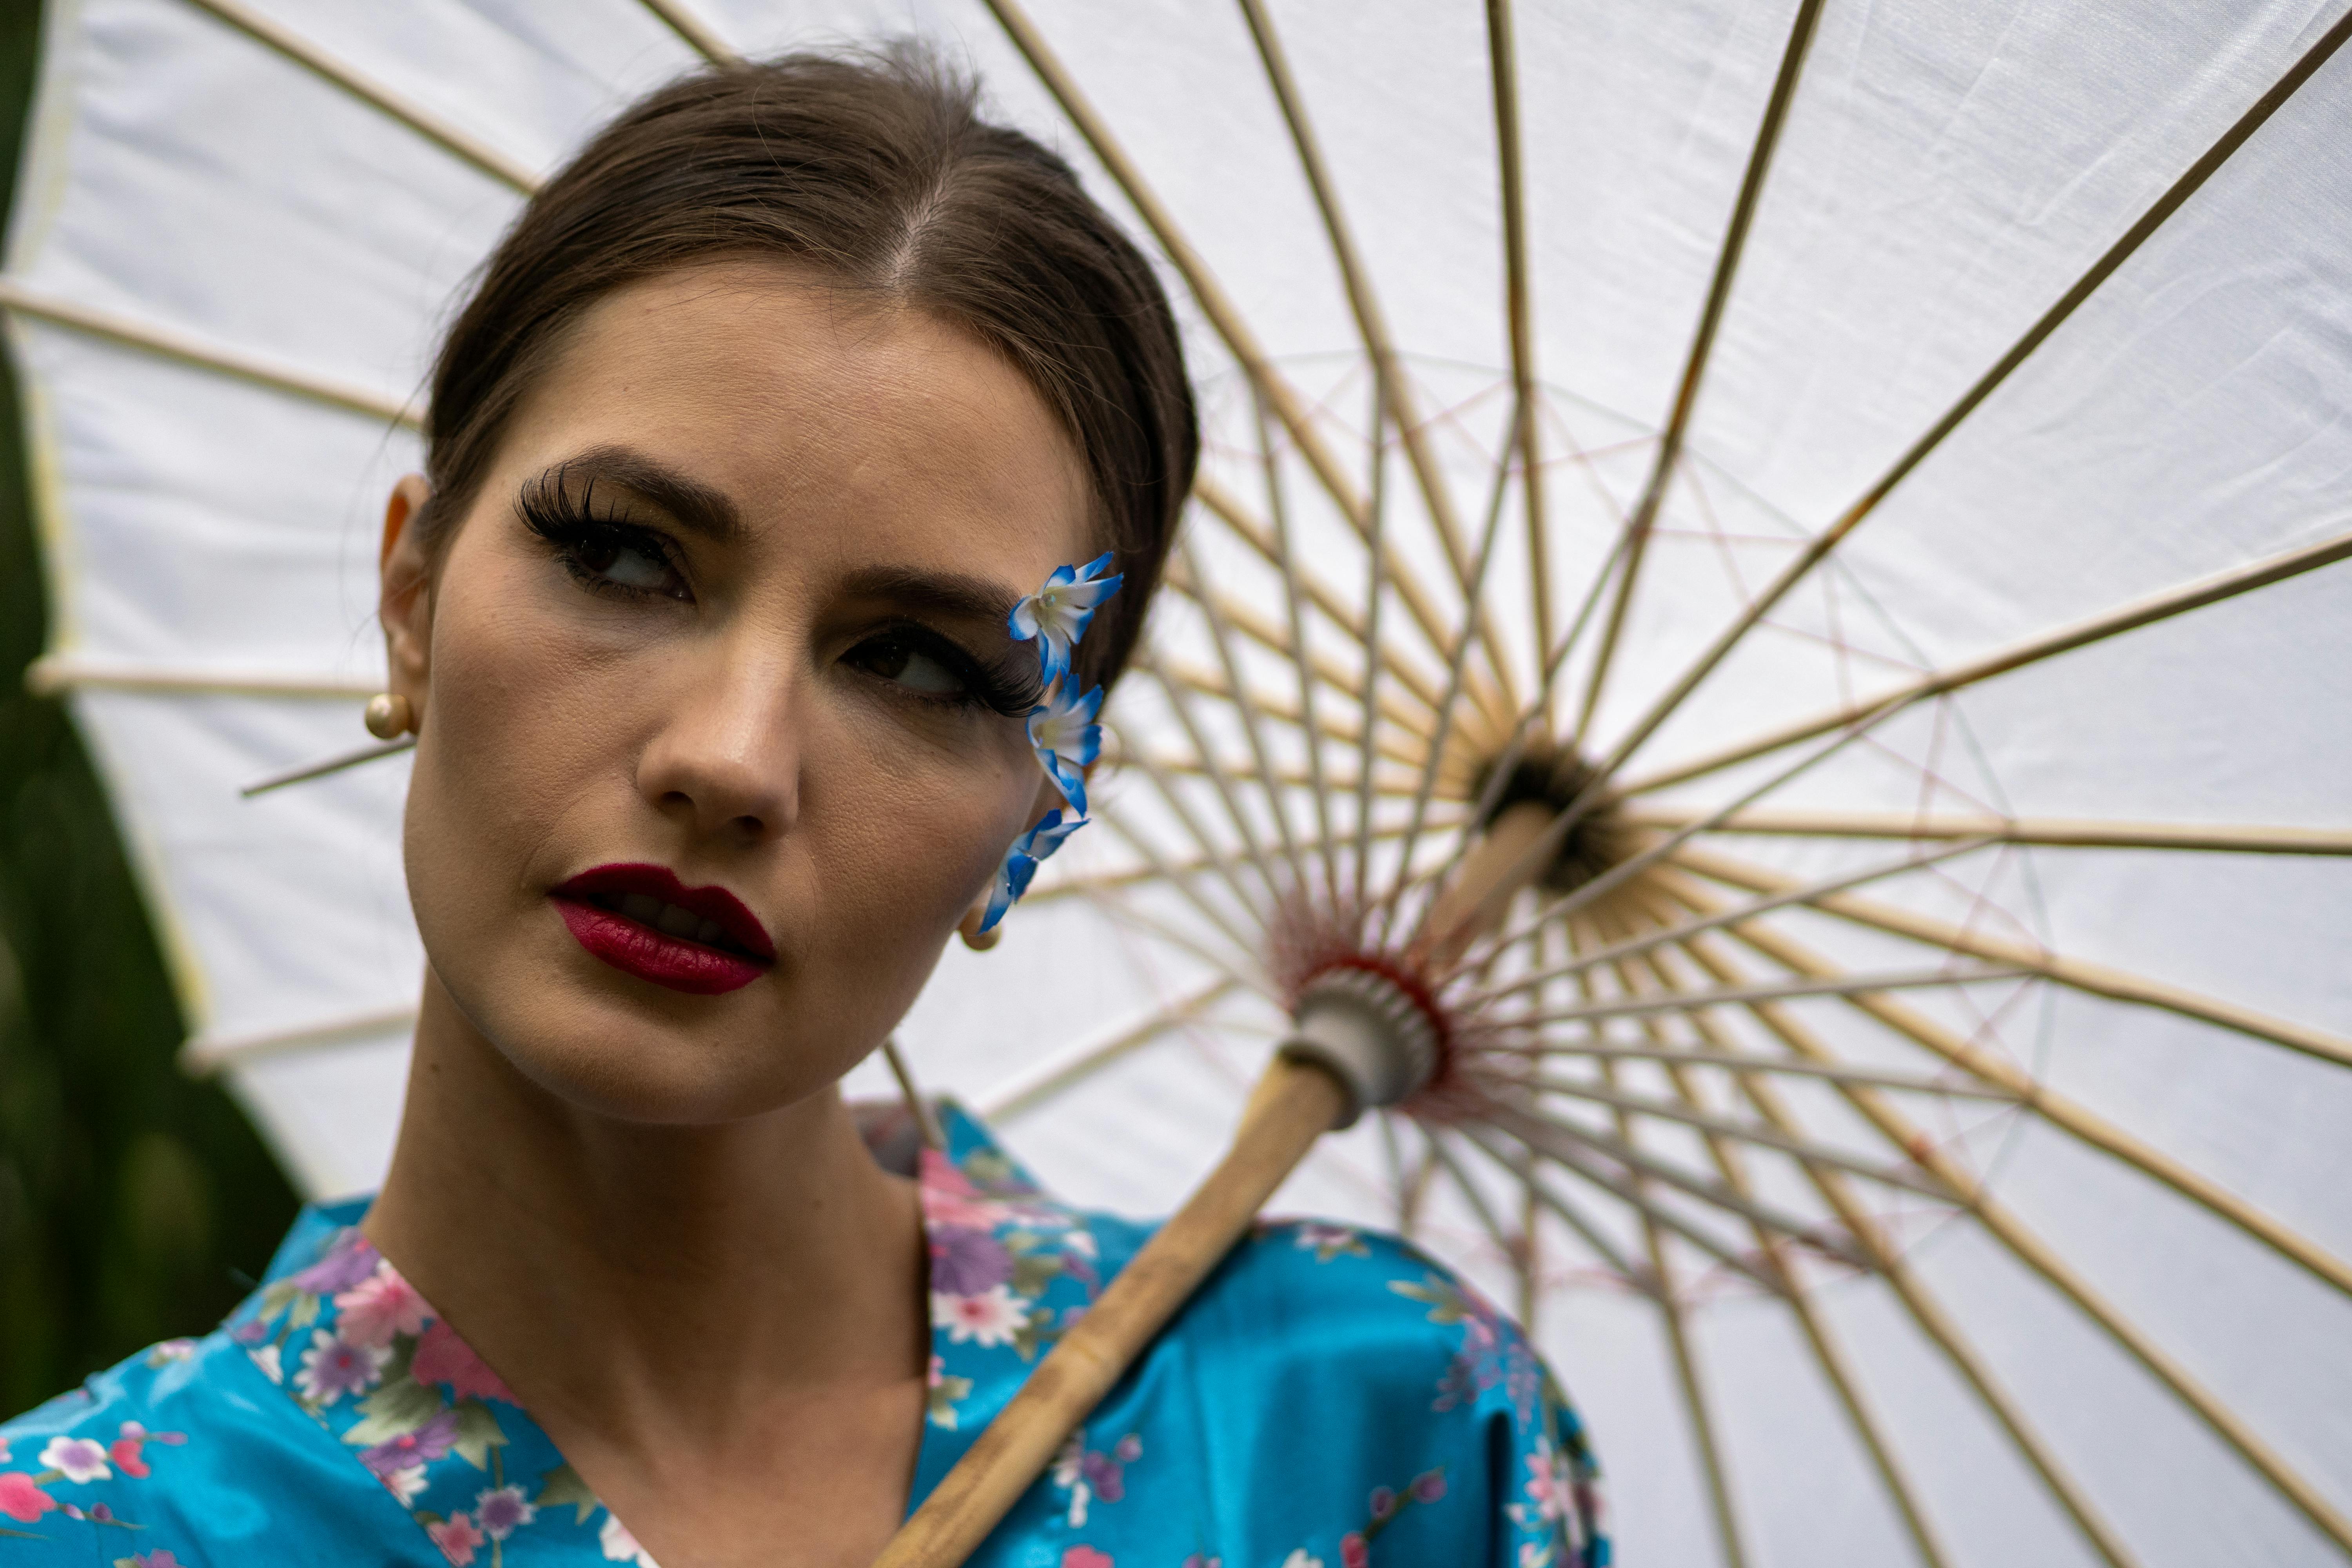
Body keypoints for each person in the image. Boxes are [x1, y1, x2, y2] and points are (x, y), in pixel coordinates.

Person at [0, 49, 1604, 1568]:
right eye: (625, 557)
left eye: (915, 661)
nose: (733, 758)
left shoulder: (1366, 1443)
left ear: (1044, 799)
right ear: (411, 596)